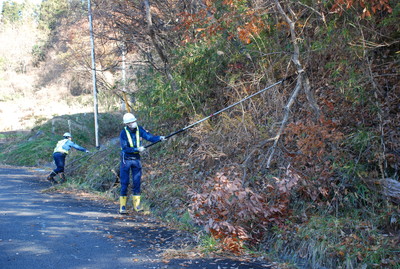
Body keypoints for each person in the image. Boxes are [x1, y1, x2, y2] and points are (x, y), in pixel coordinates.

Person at [119, 113, 166, 214]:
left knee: (137, 182)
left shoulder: (139, 129)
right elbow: (125, 148)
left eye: (134, 121)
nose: (134, 123)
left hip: (136, 159)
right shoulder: (123, 133)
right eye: (131, 122)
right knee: (125, 182)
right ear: (127, 124)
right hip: (126, 160)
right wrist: (137, 148)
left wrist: (159, 138)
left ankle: (137, 206)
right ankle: (122, 207)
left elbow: (149, 137)